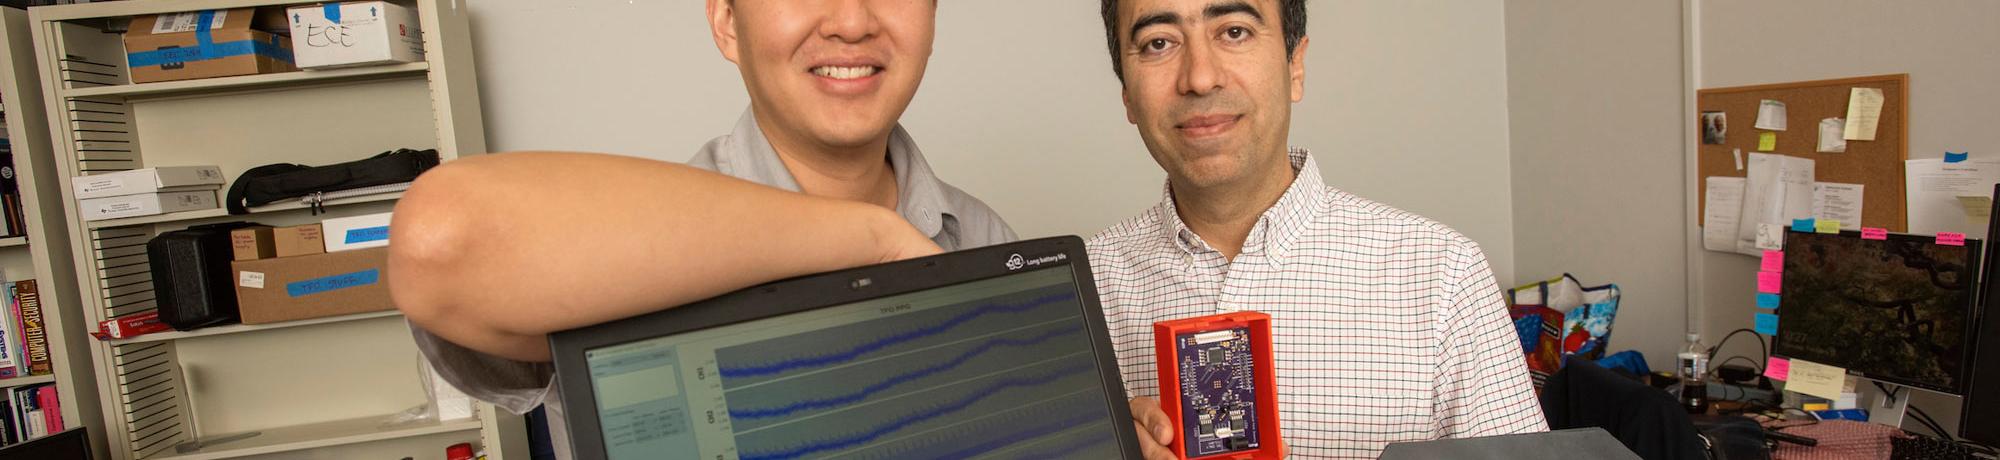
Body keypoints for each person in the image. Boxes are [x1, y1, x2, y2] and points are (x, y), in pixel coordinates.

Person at [389, 1, 1011, 458]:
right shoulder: (610, 241)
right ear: (726, 23)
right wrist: (871, 239)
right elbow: (440, 237)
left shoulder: (985, 236)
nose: (851, 21)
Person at [1088, 0, 1547, 458]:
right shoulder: (1077, 289)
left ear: (1295, 64)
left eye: (1234, 32)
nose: (1200, 78)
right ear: (1127, 93)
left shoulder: (1444, 273)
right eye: (1158, 43)